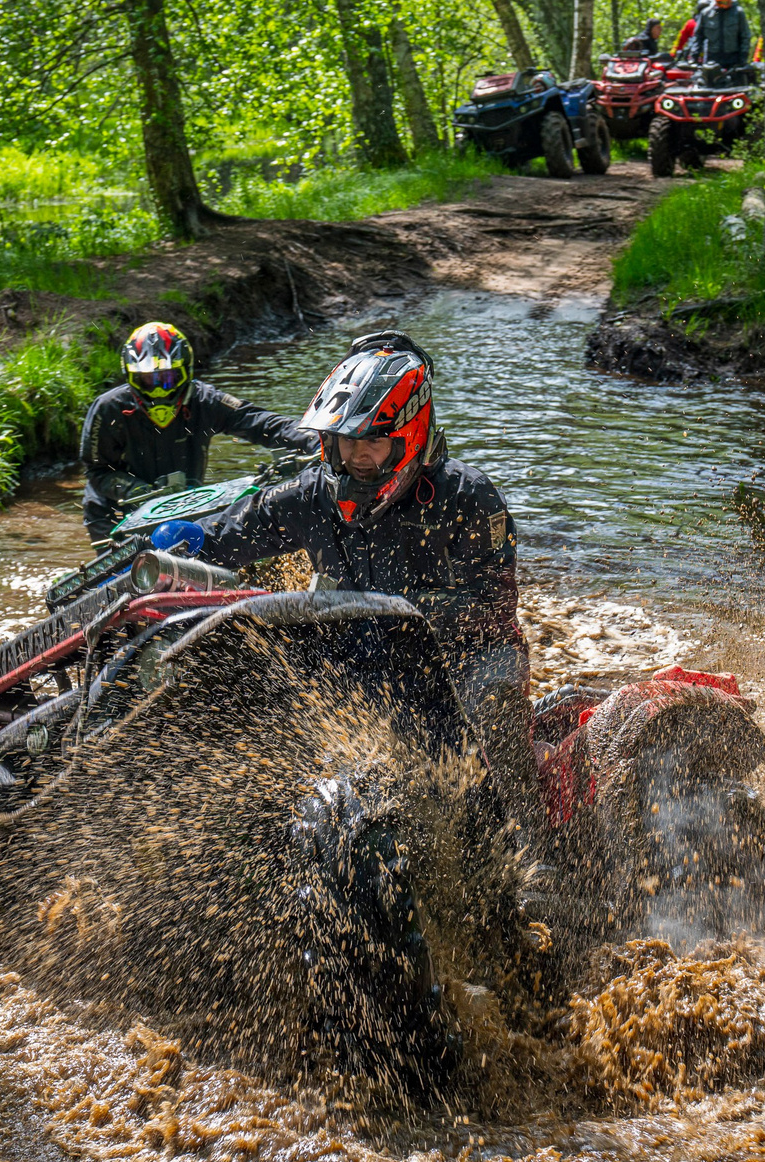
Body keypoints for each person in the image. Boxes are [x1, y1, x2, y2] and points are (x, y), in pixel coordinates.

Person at [150, 332, 538, 814]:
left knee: (491, 713)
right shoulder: (315, 493)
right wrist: (192, 540)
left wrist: (398, 611)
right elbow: (240, 530)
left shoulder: (467, 497)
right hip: (357, 656)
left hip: (459, 661)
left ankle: (530, 845)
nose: (356, 455)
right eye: (345, 439)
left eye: (373, 439)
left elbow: (490, 608)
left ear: (410, 434)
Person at [79, 321, 312, 543]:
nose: (159, 391)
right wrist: (135, 489)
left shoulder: (204, 400)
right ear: (132, 377)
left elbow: (259, 421)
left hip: (184, 504)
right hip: (115, 515)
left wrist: (316, 438)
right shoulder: (108, 409)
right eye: (149, 380)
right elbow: (96, 470)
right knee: (128, 575)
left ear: (184, 372)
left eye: (168, 378)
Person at [684, 0, 753, 70]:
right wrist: (693, 57)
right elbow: (698, 36)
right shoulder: (706, 13)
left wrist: (743, 58)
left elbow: (745, 36)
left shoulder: (738, 13)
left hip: (734, 60)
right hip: (711, 59)